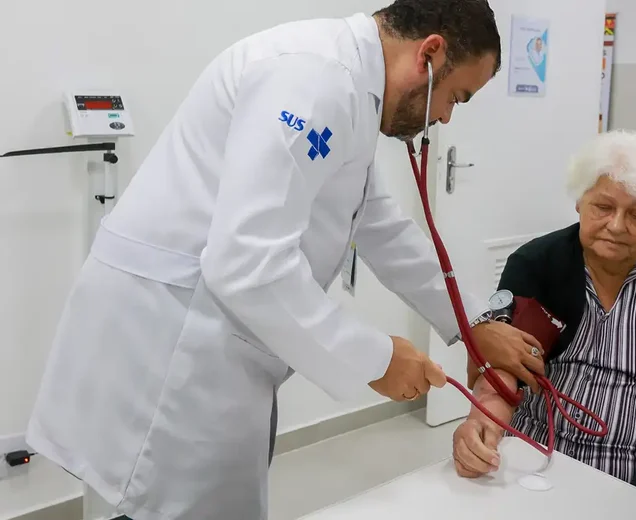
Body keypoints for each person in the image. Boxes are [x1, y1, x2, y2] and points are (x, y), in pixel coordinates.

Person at [26, 2, 545, 519]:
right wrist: (375, 357)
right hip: (168, 344)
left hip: (208, 340)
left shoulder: (352, 91)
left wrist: (471, 322)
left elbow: (382, 226)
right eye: (455, 96)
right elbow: (245, 263)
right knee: (157, 506)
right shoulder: (314, 78)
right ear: (430, 53)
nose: (446, 116)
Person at [451, 130, 636, 519]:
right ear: (579, 202)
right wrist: (482, 422)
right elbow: (507, 365)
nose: (617, 225)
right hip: (540, 458)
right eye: (603, 207)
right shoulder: (537, 264)